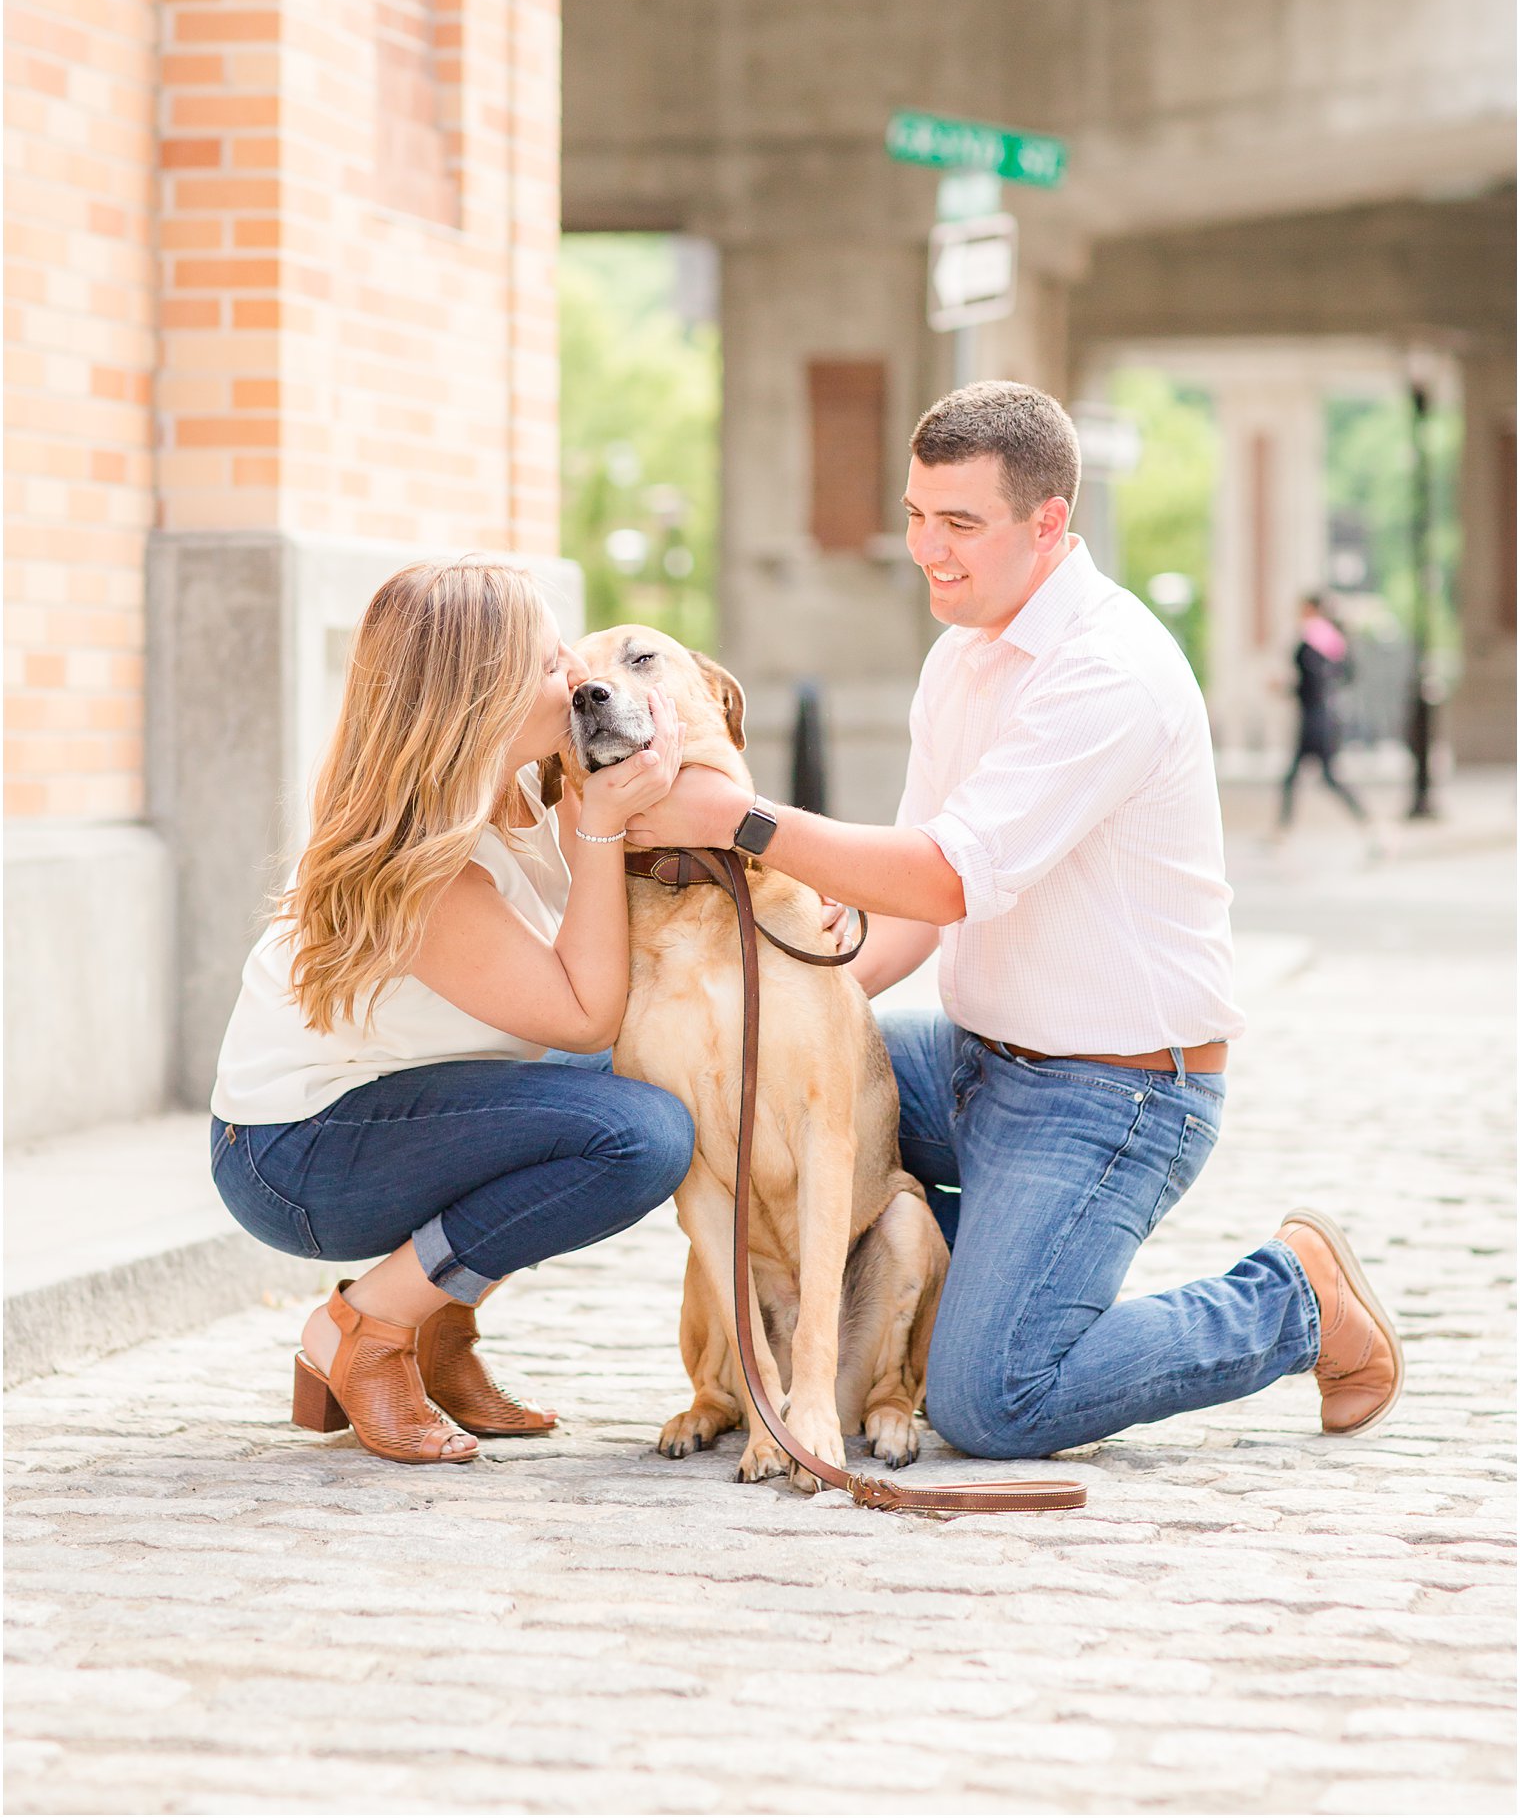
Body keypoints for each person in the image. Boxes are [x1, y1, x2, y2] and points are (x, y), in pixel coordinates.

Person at [628, 382, 1402, 1458]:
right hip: (968, 1062)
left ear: (1047, 525)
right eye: (913, 515)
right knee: (734, 1081)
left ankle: (1292, 1300)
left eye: (958, 524)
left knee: (995, 1402)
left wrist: (742, 822)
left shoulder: (1106, 673)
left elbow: (944, 878)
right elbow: (906, 912)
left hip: (1115, 1092)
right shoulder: (960, 655)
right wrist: (776, 1004)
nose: (925, 550)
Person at [210, 557, 694, 1466]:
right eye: (549, 668)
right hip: (296, 1152)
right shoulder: (424, 862)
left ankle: (439, 1330)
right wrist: (596, 823)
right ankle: (367, 1329)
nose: (578, 681)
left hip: (400, 1101)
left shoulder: (515, 782)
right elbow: (587, 1012)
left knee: (657, 1072)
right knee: (639, 1134)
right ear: (479, 699)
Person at [1279, 593, 1368, 828]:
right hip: (1324, 715)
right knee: (1311, 777)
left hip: (1315, 719)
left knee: (1321, 777)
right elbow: (1345, 675)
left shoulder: (1313, 638)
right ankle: (1282, 829)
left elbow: (1312, 682)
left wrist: (1289, 688)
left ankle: (1367, 821)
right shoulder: (1332, 639)